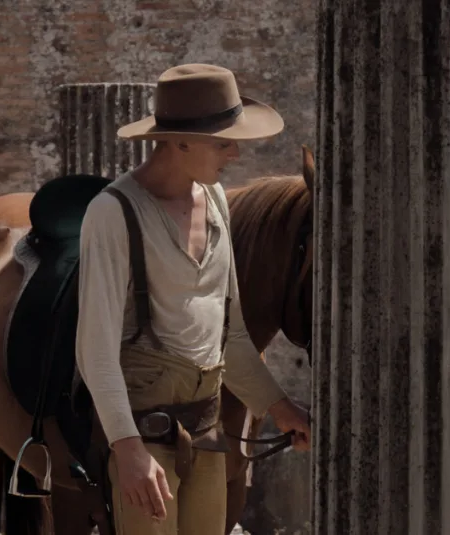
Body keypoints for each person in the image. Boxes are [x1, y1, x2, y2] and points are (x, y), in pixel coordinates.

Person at [74, 63, 312, 535]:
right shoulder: (113, 213)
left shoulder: (216, 199)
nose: (235, 153)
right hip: (144, 435)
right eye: (224, 142)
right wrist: (127, 448)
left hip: (207, 432)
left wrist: (280, 407)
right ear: (180, 142)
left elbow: (231, 335)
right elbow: (94, 351)